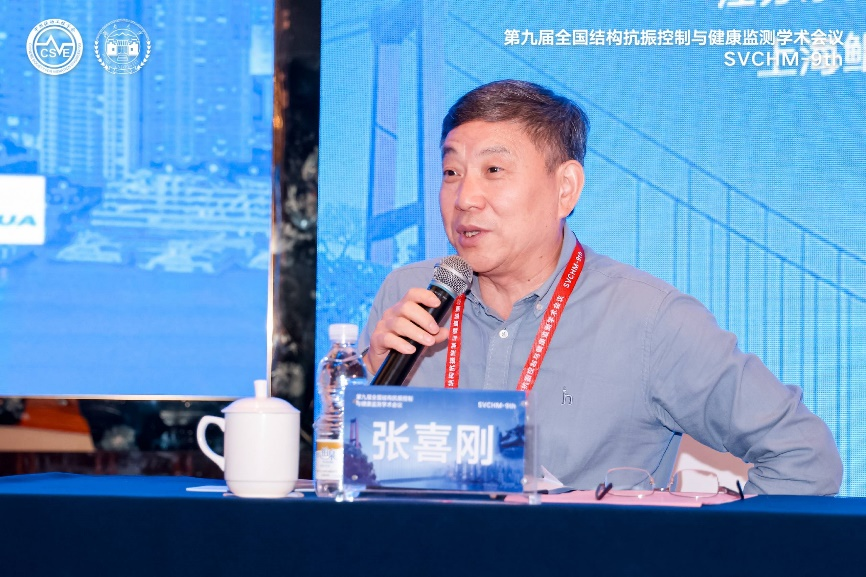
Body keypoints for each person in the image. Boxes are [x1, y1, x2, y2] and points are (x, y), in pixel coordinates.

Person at [360, 79, 842, 495]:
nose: (465, 198)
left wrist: (697, 550)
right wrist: (373, 385)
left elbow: (805, 457)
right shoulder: (408, 294)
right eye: (451, 173)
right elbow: (345, 473)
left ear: (565, 188)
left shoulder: (650, 320)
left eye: (494, 171)